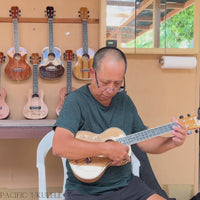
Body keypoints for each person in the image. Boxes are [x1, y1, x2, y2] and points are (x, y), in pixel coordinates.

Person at [52, 47, 187, 200]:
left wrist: (173, 141)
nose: (110, 89)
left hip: (126, 187)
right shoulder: (75, 101)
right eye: (104, 82)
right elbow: (59, 146)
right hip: (85, 192)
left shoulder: (125, 101)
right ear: (92, 73)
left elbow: (144, 142)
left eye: (117, 83)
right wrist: (106, 149)